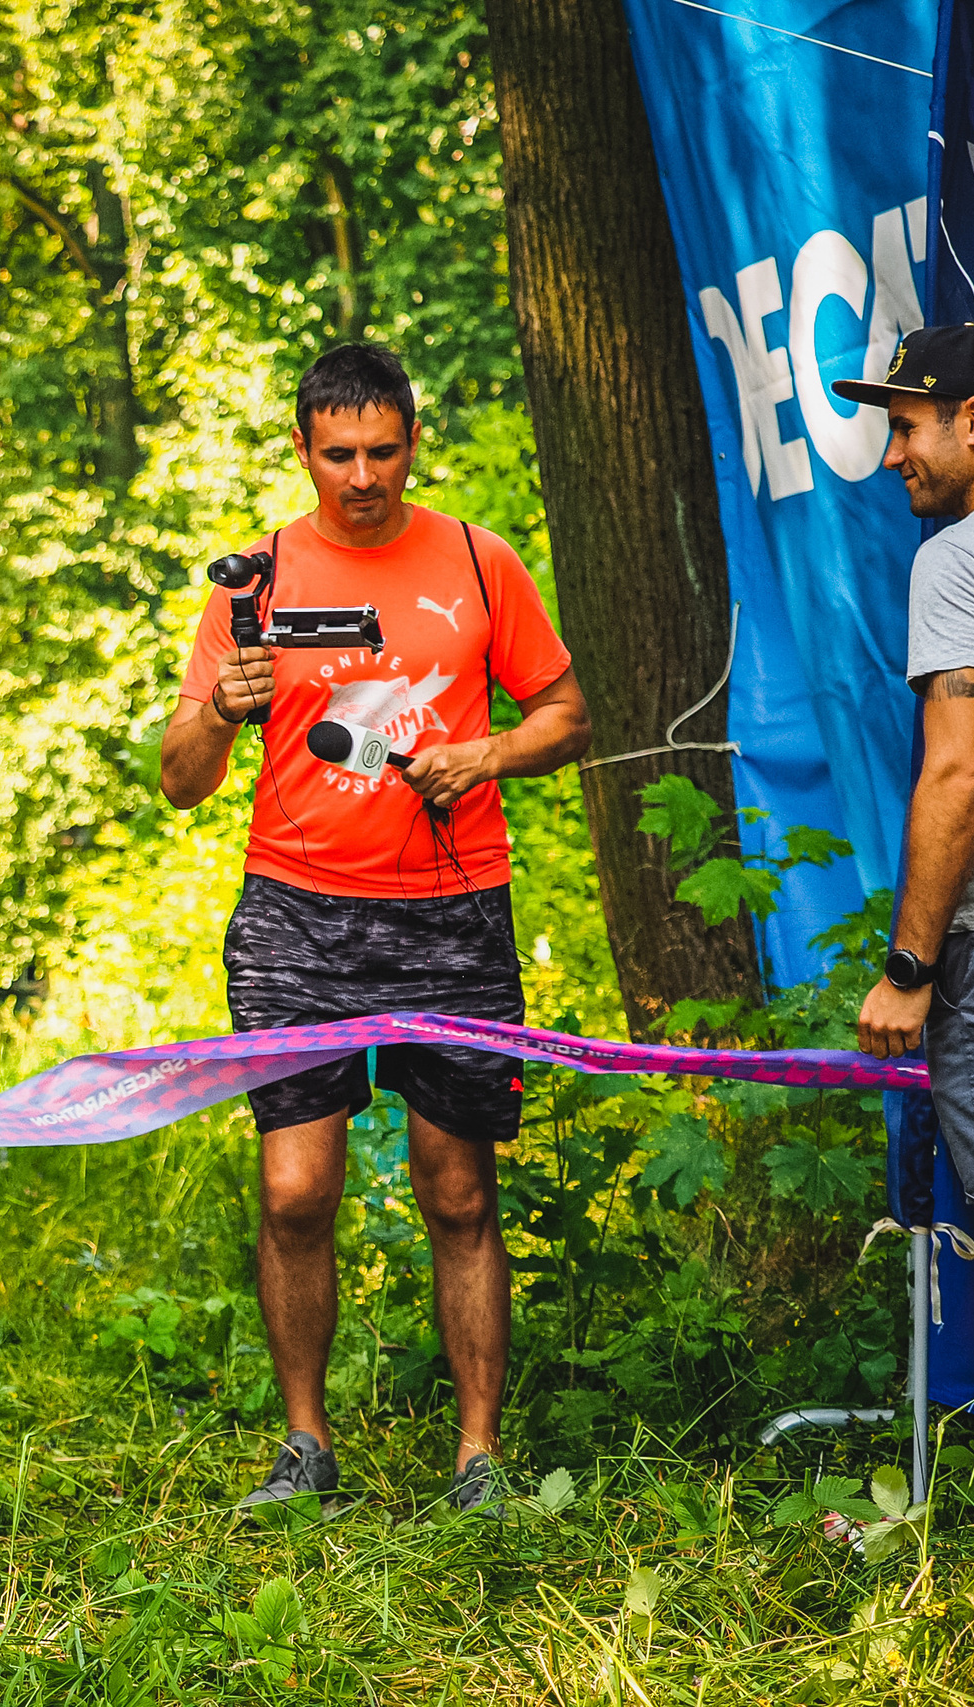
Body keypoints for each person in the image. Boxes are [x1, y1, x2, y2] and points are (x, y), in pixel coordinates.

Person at [157, 342, 591, 1516]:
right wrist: (220, 709)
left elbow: (564, 708)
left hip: (451, 910)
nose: (362, 476)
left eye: (382, 451)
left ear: (412, 442)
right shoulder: (253, 579)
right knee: (296, 1192)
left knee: (456, 1191)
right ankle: (306, 1445)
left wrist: (484, 752)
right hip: (295, 916)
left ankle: (478, 1456)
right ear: (301, 451)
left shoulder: (472, 557)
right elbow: (181, 778)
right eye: (337, 454)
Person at [850, 327, 974, 1264]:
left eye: (906, 428)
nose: (892, 455)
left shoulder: (957, 558)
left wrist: (909, 972)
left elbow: (961, 770)